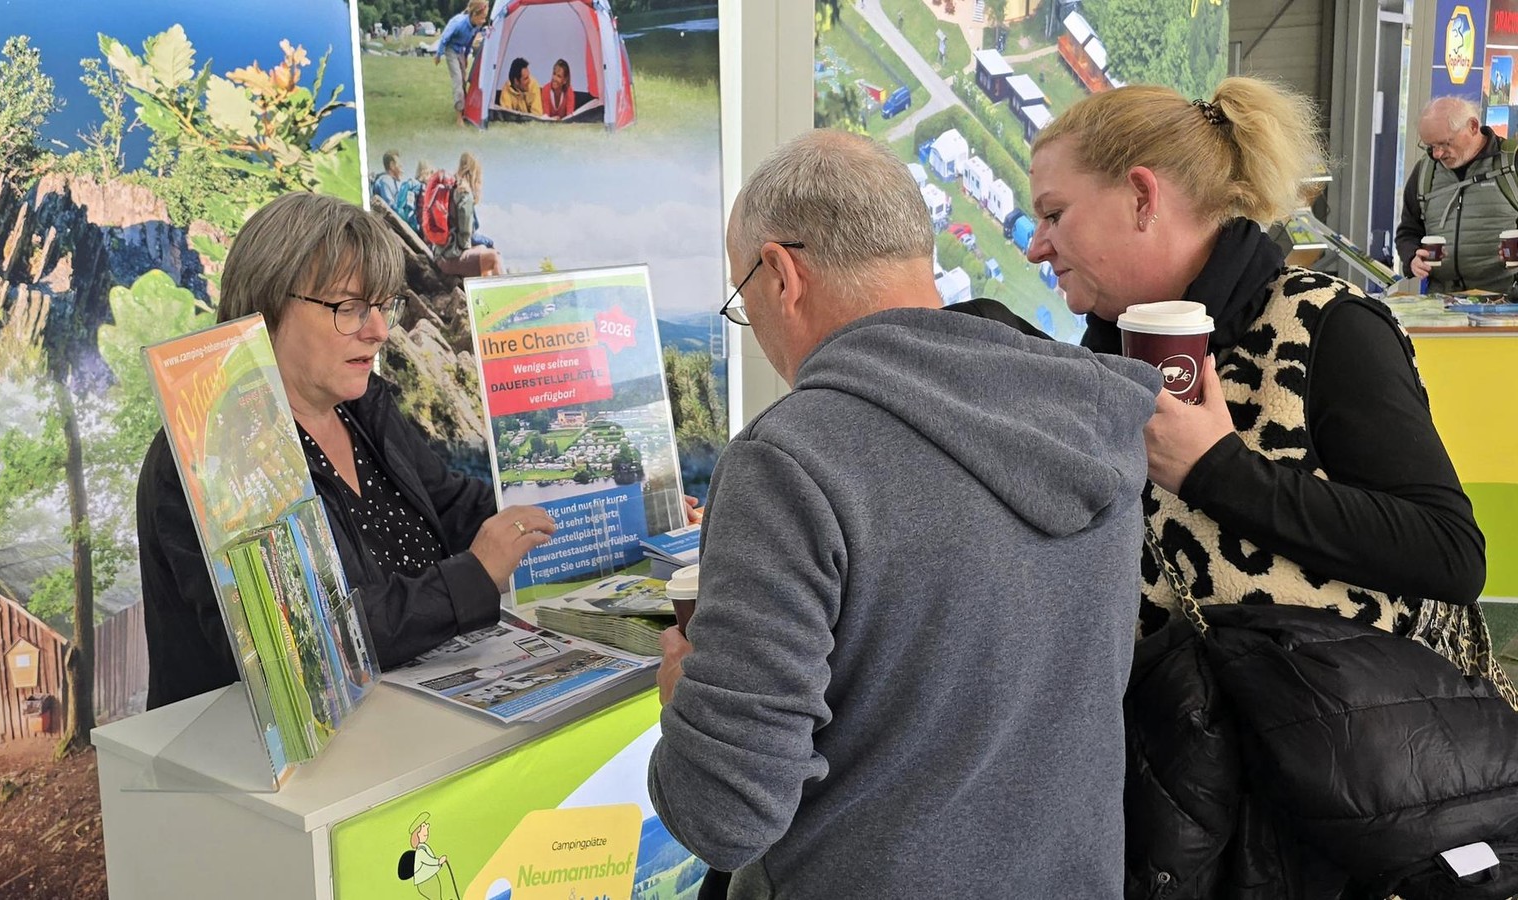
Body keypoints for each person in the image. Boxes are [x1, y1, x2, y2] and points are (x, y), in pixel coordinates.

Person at [647, 129, 1162, 898]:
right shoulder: (1089, 415)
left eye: (740, 299)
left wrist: (685, 704)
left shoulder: (792, 462)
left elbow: (725, 814)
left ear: (781, 273)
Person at [1023, 76, 1503, 894]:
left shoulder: (1326, 326)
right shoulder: (1098, 358)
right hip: (1166, 807)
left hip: (1324, 808)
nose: (1038, 246)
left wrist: (1218, 472)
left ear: (1142, 196)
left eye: (1055, 214)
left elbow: (1448, 553)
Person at [138, 192, 554, 709]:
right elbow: (295, 649)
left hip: (403, 730)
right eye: (350, 308)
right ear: (266, 306)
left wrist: (592, 504)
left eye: (383, 306)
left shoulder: (363, 409)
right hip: (263, 777)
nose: (379, 331)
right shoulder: (213, 450)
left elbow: (452, 505)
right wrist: (470, 580)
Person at [1395, 96, 1516, 293]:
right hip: (1442, 305)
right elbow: (1408, 231)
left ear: (1473, 126)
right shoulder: (1425, 172)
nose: (1437, 154)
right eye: (1430, 146)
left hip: (1506, 304)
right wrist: (1412, 258)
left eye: (1444, 144)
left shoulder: (1512, 165)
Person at [434, 152, 502, 278]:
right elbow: (466, 235)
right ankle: (506, 296)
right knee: (494, 257)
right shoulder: (464, 193)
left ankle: (485, 294)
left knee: (483, 249)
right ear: (474, 173)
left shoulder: (450, 187)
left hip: (441, 253)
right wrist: (489, 242)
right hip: (449, 258)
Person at [432, 0, 489, 121]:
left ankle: (465, 110)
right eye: (482, 18)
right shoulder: (459, 23)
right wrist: (438, 55)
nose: (483, 21)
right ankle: (459, 117)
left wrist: (466, 56)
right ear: (474, 14)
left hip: (461, 51)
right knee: (457, 81)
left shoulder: (477, 25)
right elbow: (445, 38)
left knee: (463, 80)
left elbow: (470, 41)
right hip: (451, 49)